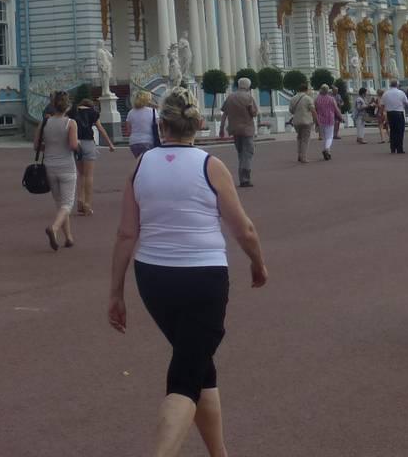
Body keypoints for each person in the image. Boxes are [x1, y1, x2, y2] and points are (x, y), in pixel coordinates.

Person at [108, 87, 267, 457]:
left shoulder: (140, 165)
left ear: (161, 125)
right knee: (185, 376)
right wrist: (257, 263)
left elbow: (126, 233)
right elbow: (243, 229)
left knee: (197, 364)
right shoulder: (210, 165)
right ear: (197, 124)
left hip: (153, 278)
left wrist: (116, 292)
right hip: (202, 277)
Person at [37, 91, 81, 249]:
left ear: (53, 105)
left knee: (60, 203)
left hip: (50, 165)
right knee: (68, 204)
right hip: (67, 165)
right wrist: (79, 145)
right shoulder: (70, 123)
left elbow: (36, 145)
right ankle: (54, 228)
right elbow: (73, 145)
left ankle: (68, 237)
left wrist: (51, 147)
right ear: (67, 106)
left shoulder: (45, 123)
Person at [70, 96, 116, 215]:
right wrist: (110, 144)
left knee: (80, 174)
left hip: (76, 143)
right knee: (89, 175)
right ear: (90, 105)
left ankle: (80, 199)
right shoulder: (93, 113)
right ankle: (88, 204)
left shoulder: (73, 111)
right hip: (88, 143)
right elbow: (100, 129)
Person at [219, 79, 258, 188]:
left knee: (241, 153)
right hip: (247, 129)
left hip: (234, 129)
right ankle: (245, 179)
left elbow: (224, 114)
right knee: (248, 153)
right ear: (248, 86)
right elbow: (254, 113)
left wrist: (221, 129)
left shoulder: (230, 97)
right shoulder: (248, 97)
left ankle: (242, 177)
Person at [126, 91, 160, 158]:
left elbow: (129, 131)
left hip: (134, 142)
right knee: (149, 161)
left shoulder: (130, 112)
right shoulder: (153, 111)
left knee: (140, 160)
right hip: (148, 141)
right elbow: (159, 127)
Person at [288, 84, 316, 163]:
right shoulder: (308, 98)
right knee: (305, 139)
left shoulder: (293, 98)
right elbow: (313, 110)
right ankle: (303, 157)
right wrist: (316, 120)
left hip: (296, 122)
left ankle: (299, 155)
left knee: (299, 138)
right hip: (306, 121)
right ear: (306, 90)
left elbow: (291, 110)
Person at [314, 82, 342, 161]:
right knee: (329, 137)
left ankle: (327, 151)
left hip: (320, 119)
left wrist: (315, 120)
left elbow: (315, 109)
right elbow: (336, 109)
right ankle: (326, 149)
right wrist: (340, 117)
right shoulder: (331, 99)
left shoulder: (317, 99)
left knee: (324, 137)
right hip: (330, 119)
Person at [380, 81, 408, 154]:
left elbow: (382, 105)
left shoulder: (386, 93)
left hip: (390, 113)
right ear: (397, 85)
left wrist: (381, 114)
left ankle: (393, 148)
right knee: (400, 131)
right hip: (399, 112)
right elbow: (406, 103)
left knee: (392, 130)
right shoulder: (401, 92)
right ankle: (399, 148)